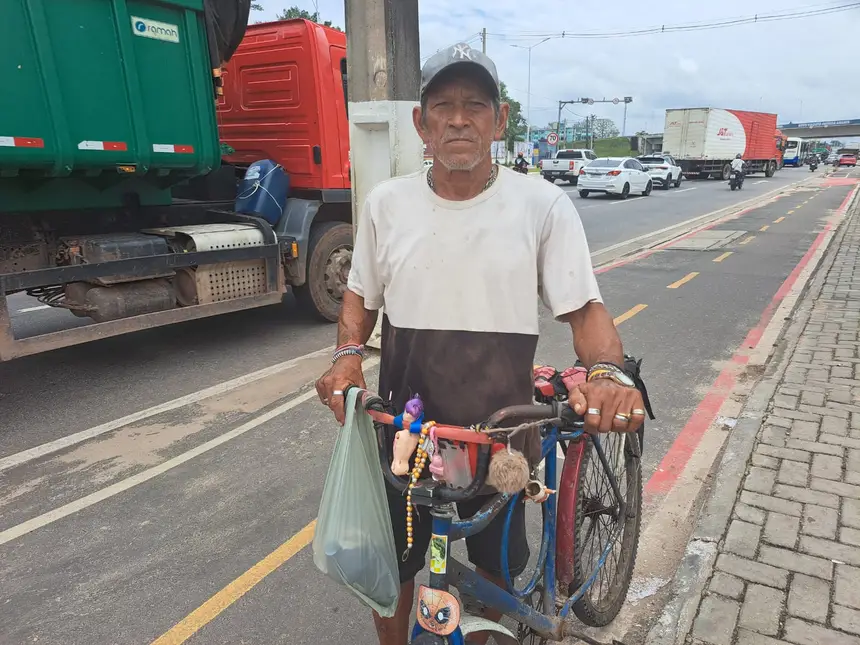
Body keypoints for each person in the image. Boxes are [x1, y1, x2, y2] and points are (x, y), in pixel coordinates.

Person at [315, 42, 646, 645]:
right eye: (442, 106)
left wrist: (606, 372)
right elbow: (360, 295)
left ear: (500, 120)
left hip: (501, 440)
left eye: (475, 105)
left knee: (496, 571)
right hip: (408, 436)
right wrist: (345, 358)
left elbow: (584, 308)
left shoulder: (541, 204)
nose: (459, 119)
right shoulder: (387, 205)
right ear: (421, 123)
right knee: (394, 573)